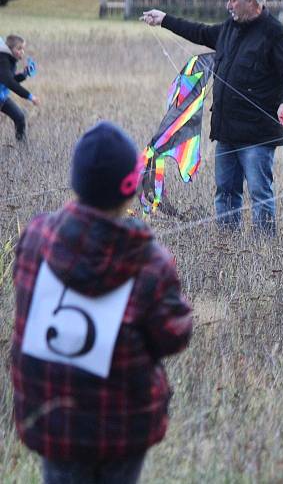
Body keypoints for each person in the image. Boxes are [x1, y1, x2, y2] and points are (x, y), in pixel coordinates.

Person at [11, 122, 193, 483]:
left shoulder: (35, 236)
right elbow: (173, 336)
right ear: (130, 189)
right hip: (122, 426)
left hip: (52, 420)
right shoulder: (149, 261)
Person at [141, 0, 283, 236]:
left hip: (257, 135)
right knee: (226, 191)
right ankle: (227, 244)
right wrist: (165, 20)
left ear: (252, 2)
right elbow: (200, 31)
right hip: (227, 130)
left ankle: (264, 246)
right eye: (228, 0)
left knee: (260, 192)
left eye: (233, 1)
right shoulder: (228, 28)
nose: (228, 5)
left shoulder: (276, 34)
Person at [1, 35, 39, 142]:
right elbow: (9, 82)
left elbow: (8, 79)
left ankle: (21, 149)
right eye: (19, 48)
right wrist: (30, 96)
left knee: (20, 117)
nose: (22, 51)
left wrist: (24, 74)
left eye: (23, 49)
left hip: (1, 98)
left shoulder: (10, 60)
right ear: (10, 49)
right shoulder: (3, 60)